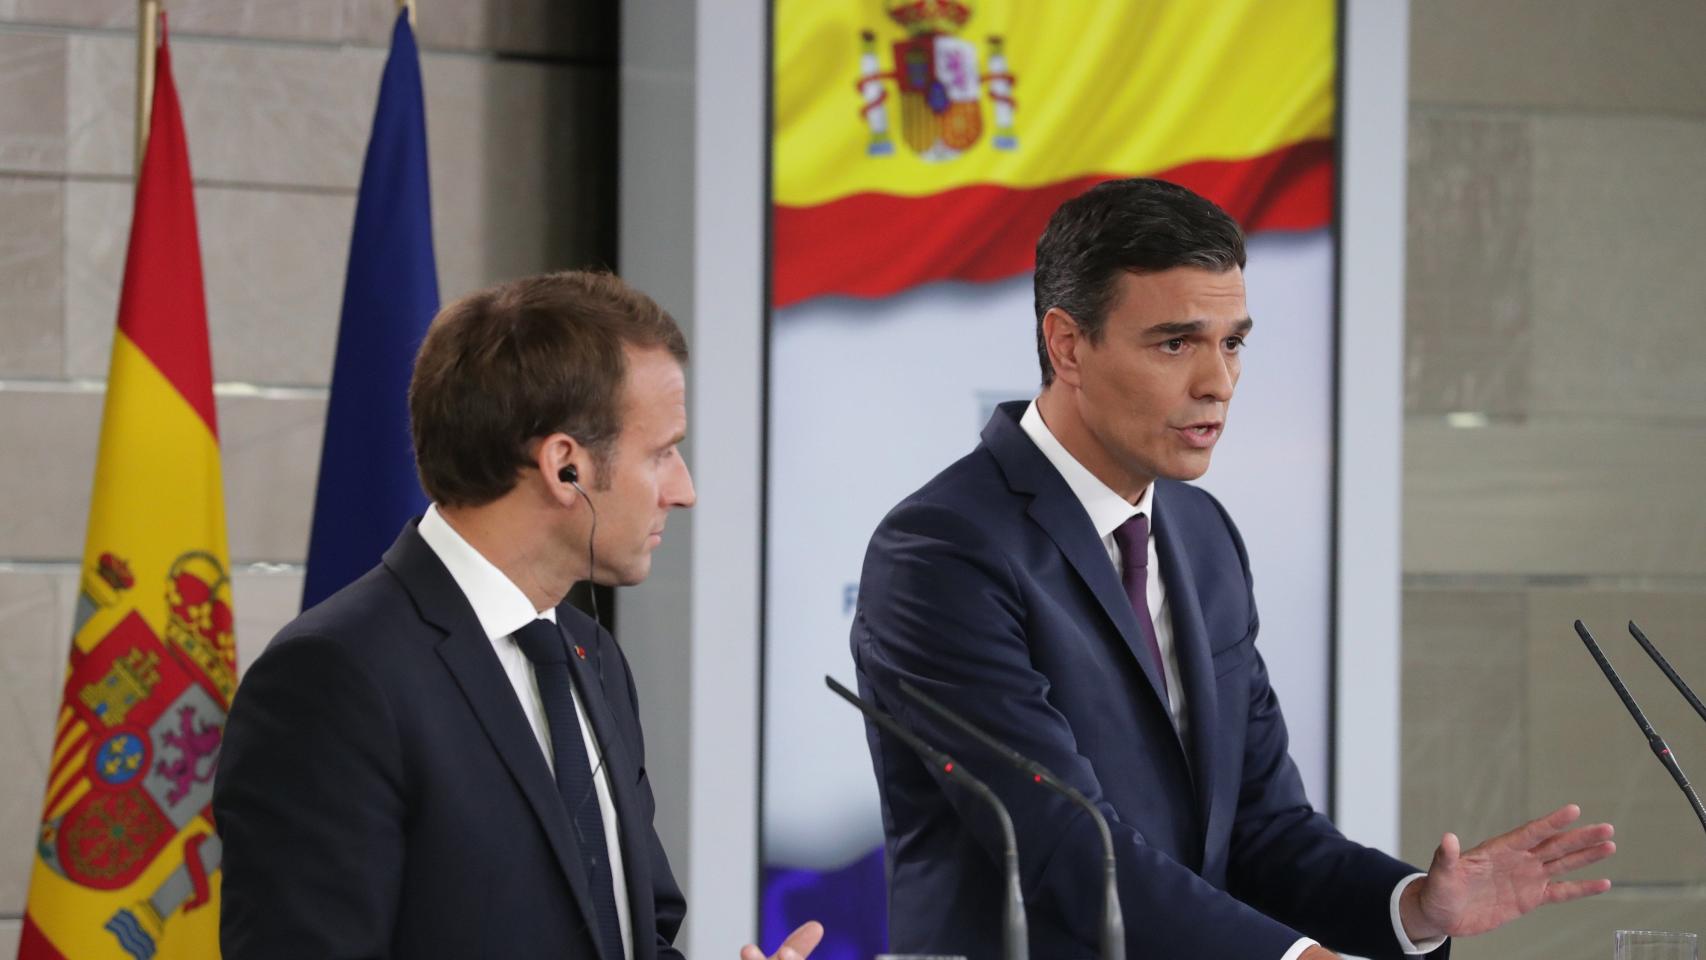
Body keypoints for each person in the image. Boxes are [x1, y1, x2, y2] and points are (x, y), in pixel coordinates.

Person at [849, 179, 1615, 959]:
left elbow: (1262, 827)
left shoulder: (1201, 532)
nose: (1217, 382)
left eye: (1233, 342)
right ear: (1069, 345)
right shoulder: (943, 549)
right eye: (1176, 343)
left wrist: (1412, 906)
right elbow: (1068, 851)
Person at [215, 271, 821, 960]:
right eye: (661, 453)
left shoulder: (589, 654)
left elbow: (627, 937)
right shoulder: (334, 678)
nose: (683, 490)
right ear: (565, 467)